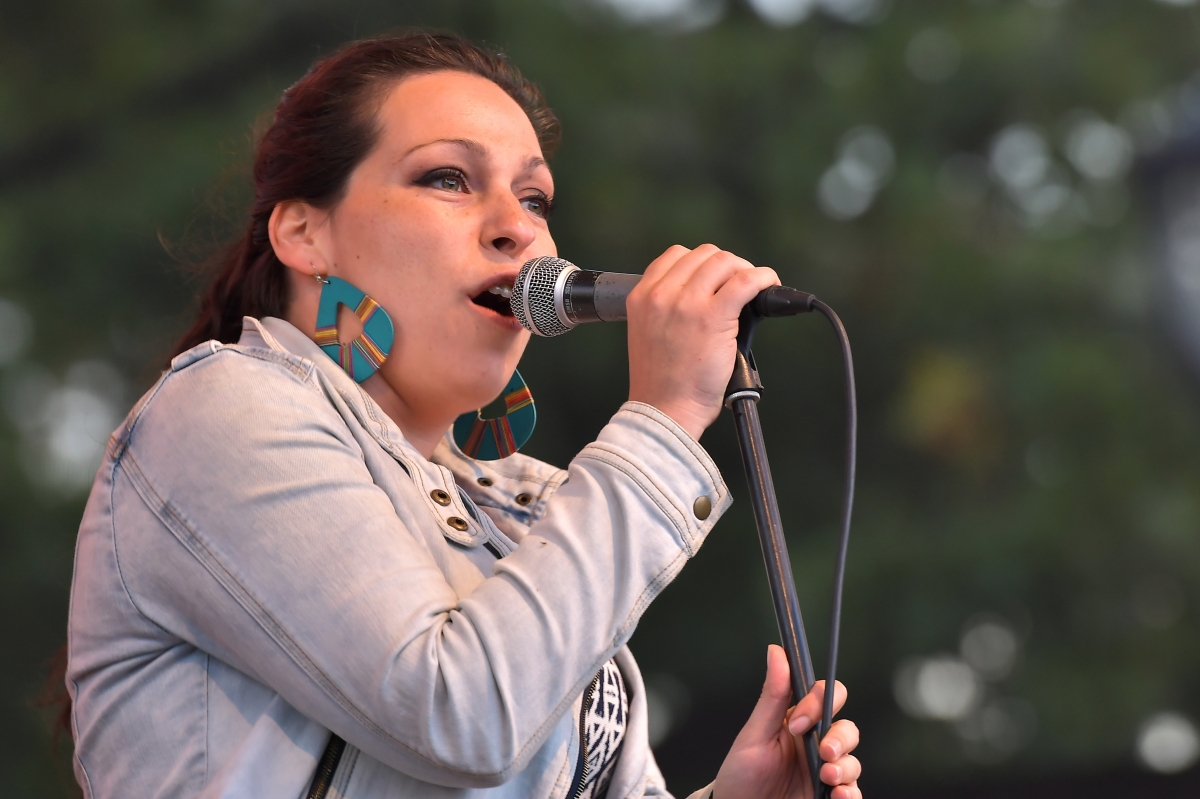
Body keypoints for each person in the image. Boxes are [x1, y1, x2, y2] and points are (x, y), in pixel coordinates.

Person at [65, 32, 862, 799]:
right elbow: (460, 712)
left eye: (534, 197)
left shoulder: (529, 506)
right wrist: (664, 415)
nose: (518, 226)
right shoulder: (221, 409)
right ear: (304, 233)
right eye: (448, 178)